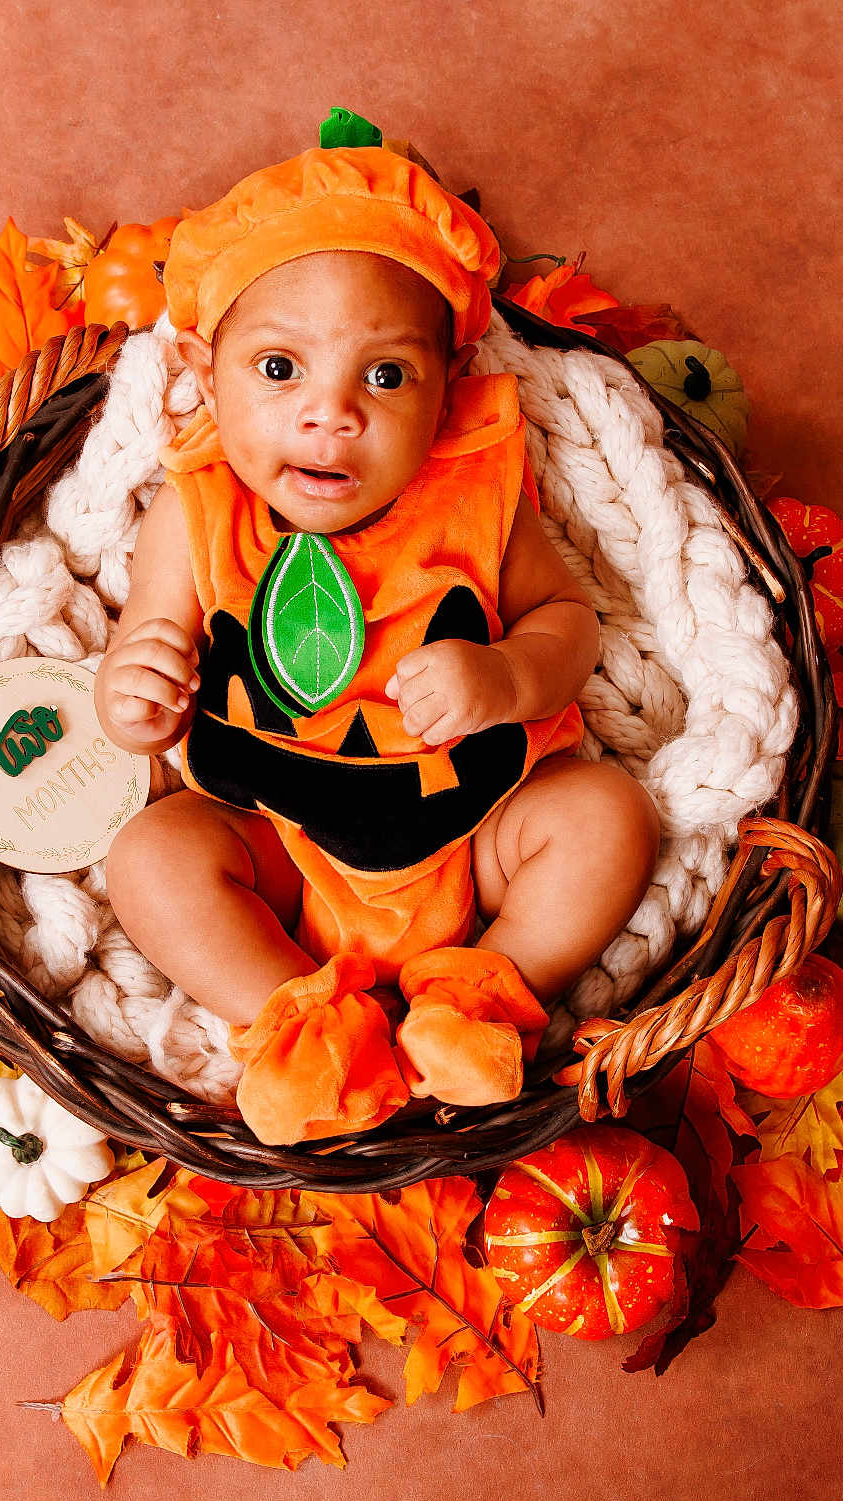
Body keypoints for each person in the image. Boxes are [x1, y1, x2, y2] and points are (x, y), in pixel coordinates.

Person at [95, 146, 660, 1145]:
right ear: (202, 374)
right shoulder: (193, 516)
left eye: (385, 374)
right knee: (149, 855)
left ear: (446, 388)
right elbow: (146, 644)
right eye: (277, 368)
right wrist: (133, 690)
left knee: (604, 815)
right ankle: (305, 1023)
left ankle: (481, 996)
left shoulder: (475, 496)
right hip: (280, 846)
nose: (331, 412)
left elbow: (568, 624)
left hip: (474, 835)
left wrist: (505, 674)